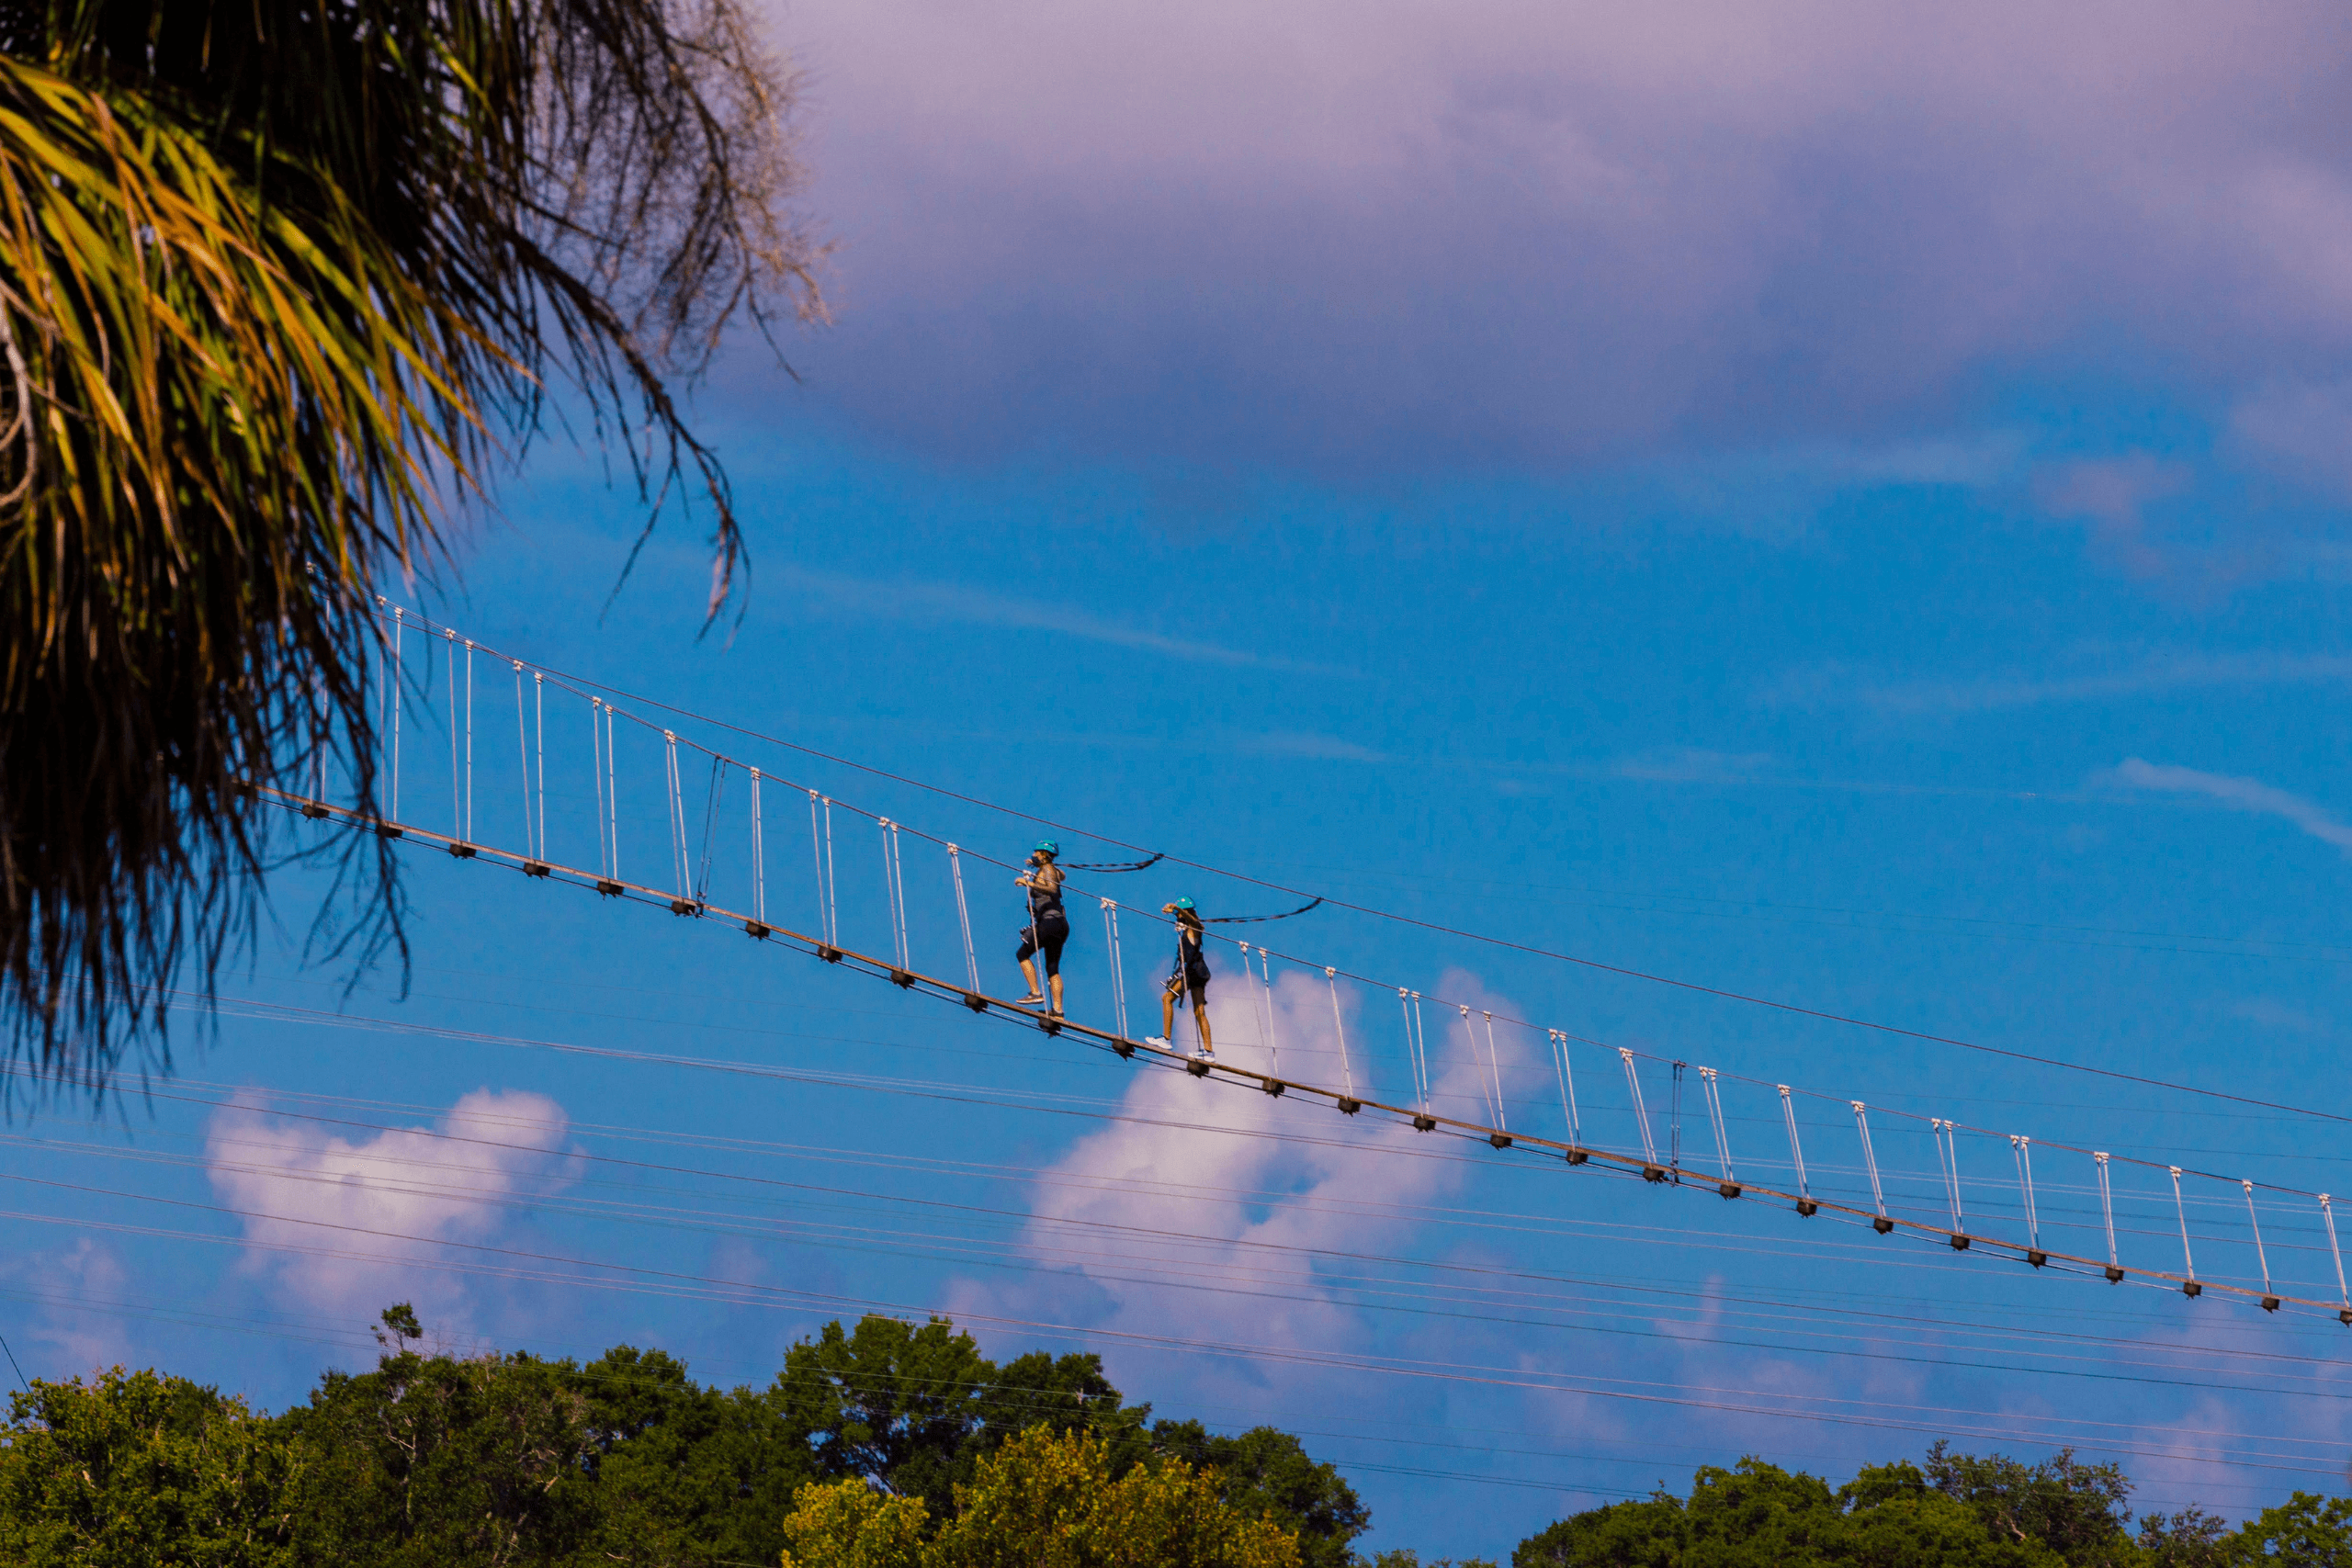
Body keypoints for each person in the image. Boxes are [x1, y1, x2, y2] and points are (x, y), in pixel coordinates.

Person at [1146, 897, 1214, 1058]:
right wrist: (1177, 911)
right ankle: (1209, 1052)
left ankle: (1166, 1039)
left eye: (1178, 914)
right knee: (1199, 1012)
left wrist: (1178, 909)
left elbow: (1192, 920)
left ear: (1185, 913)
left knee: (1167, 998)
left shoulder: (1193, 927)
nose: (1176, 916)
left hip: (1192, 973)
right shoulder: (1188, 928)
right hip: (1198, 973)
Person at [1013, 840, 1069, 1013]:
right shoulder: (1047, 870)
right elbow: (1061, 875)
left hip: (1050, 922)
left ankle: (1035, 993)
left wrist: (1027, 882)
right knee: (1052, 968)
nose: (1033, 855)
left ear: (1044, 855)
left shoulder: (1048, 869)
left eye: (1037, 853)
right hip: (1059, 925)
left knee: (1022, 954)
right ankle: (1058, 1011)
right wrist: (1038, 867)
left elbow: (1052, 888)